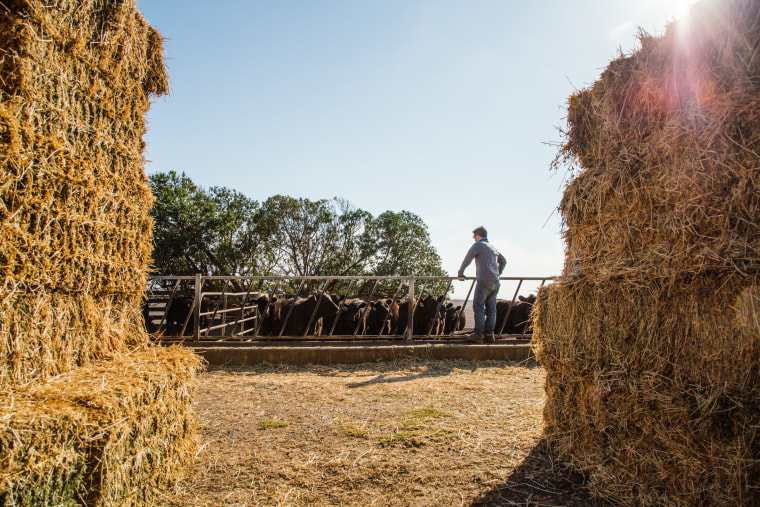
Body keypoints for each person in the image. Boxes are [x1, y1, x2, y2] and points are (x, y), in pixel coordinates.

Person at [457, 226, 506, 343]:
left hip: (484, 281)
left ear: (478, 236)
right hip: (495, 282)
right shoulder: (493, 247)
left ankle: (478, 335)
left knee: (478, 308)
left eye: (474, 236)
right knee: (491, 309)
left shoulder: (478, 245)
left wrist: (461, 272)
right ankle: (489, 334)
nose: (474, 239)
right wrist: (497, 273)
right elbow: (503, 261)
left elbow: (468, 258)